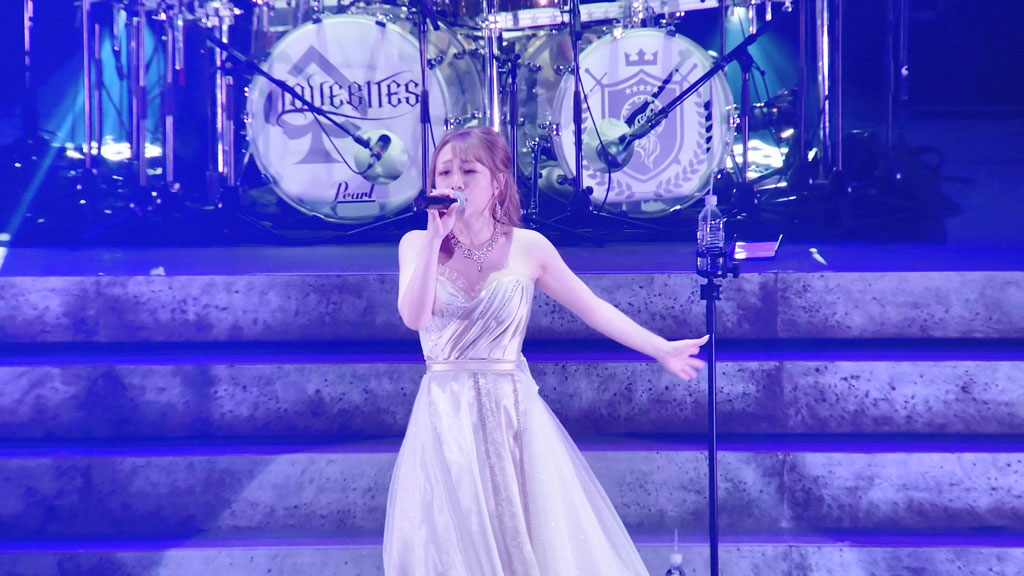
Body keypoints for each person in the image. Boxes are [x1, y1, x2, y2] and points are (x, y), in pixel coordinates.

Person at [384, 126, 708, 575]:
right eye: (445, 172)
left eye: (469, 171)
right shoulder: (416, 244)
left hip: (511, 412)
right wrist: (435, 239)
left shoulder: (529, 247)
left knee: (526, 537)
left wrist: (661, 348)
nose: (455, 181)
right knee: (453, 540)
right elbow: (414, 316)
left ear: (498, 181)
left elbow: (592, 308)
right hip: (445, 414)